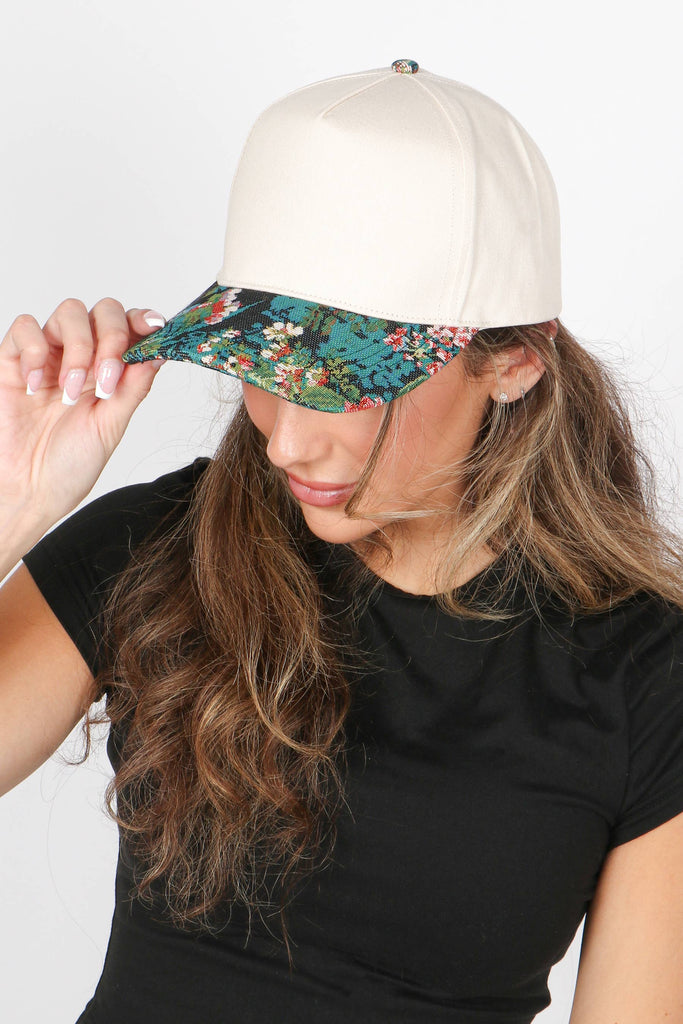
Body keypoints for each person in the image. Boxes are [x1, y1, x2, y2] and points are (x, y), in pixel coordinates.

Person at [1, 58, 683, 1024]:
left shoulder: (647, 675)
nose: (284, 439)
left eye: (341, 383)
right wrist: (14, 502)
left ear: (513, 362)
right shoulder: (163, 543)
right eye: (259, 365)